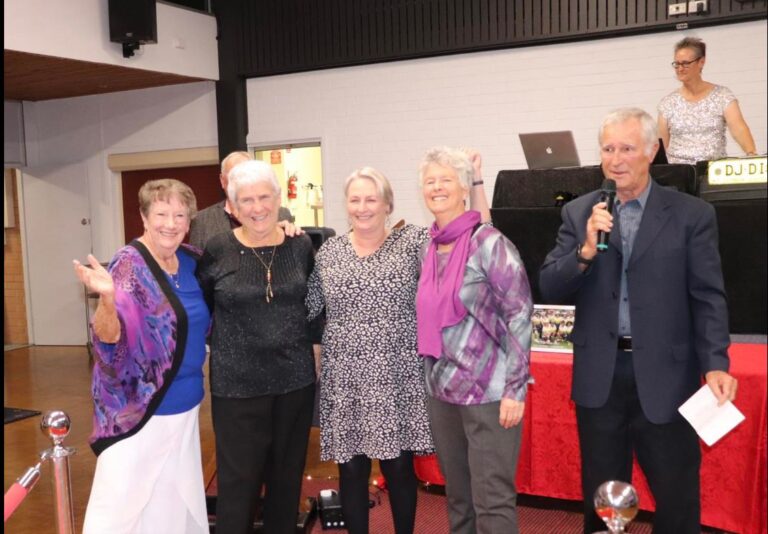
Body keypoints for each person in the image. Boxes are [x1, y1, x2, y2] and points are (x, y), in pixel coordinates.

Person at [539, 108, 738, 533]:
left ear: (651, 151)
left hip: (667, 375)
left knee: (676, 493)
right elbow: (550, 286)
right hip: (600, 378)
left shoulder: (691, 215)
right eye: (608, 149)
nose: (616, 159)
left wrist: (716, 362)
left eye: (627, 148)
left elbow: (708, 297)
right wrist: (586, 252)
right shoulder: (579, 214)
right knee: (605, 495)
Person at [305, 156, 490, 534]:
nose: (363, 208)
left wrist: (476, 184)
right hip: (345, 377)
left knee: (398, 468)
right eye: (355, 200)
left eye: (371, 200)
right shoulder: (329, 253)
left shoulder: (415, 243)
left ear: (388, 205)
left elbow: (477, 238)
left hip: (397, 373)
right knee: (351, 470)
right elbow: (308, 309)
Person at [73, 179, 210, 534]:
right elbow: (108, 337)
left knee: (172, 505)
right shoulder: (129, 265)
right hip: (140, 411)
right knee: (119, 509)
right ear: (144, 218)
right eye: (161, 213)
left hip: (185, 407)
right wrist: (105, 298)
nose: (171, 222)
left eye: (180, 214)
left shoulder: (191, 261)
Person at [197, 159, 320, 534]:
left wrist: (314, 358)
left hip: (294, 383)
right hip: (237, 387)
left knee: (286, 483)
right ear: (231, 208)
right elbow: (200, 307)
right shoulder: (217, 249)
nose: (258, 207)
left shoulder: (301, 246)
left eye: (264, 197)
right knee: (239, 488)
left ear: (278, 199)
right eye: (246, 200)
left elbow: (315, 308)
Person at [416, 146, 532, 534]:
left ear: (464, 187)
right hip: (442, 391)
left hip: (489, 394)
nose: (437, 187)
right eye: (430, 181)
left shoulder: (489, 243)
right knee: (459, 500)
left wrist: (515, 388)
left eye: (446, 179)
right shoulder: (428, 248)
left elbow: (519, 314)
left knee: (492, 500)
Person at [658, 36, 758, 164]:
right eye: (677, 64)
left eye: (685, 63)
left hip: (713, 172)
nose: (680, 69)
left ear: (701, 62)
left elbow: (739, 128)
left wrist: (752, 155)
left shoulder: (723, 95)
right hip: (679, 175)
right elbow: (661, 146)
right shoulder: (667, 103)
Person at [189, 150, 294, 250]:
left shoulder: (281, 215)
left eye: (248, 175)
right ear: (222, 180)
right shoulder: (201, 221)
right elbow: (196, 265)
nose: (241, 182)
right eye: (234, 177)